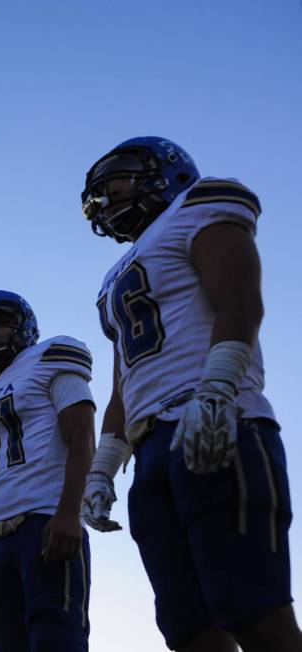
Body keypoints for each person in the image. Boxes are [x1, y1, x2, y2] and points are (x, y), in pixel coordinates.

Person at [81, 136, 299, 651]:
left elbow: (240, 297)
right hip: (152, 448)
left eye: (120, 176)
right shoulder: (116, 274)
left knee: (253, 609)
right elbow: (126, 378)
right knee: (190, 632)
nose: (109, 193)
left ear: (164, 172)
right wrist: (104, 465)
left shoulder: (200, 204)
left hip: (216, 420)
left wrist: (219, 388)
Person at [0, 290, 95, 652]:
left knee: (57, 640)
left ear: (23, 326)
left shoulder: (50, 357)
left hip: (45, 522)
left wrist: (71, 512)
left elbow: (82, 440)